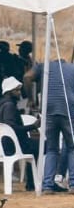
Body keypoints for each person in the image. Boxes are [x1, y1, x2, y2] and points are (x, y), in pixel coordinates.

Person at [26, 54, 74, 192]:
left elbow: (27, 77)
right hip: (68, 110)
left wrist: (31, 98)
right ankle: (73, 183)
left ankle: (47, 184)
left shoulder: (44, 67)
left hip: (49, 110)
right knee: (72, 147)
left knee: (52, 149)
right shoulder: (72, 68)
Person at [0, 76, 36, 189]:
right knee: (41, 146)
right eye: (16, 90)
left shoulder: (0, 103)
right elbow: (12, 128)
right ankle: (32, 182)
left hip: (3, 143)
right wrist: (33, 126)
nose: (19, 92)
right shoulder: (9, 106)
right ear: (9, 92)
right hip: (12, 145)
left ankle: (32, 181)